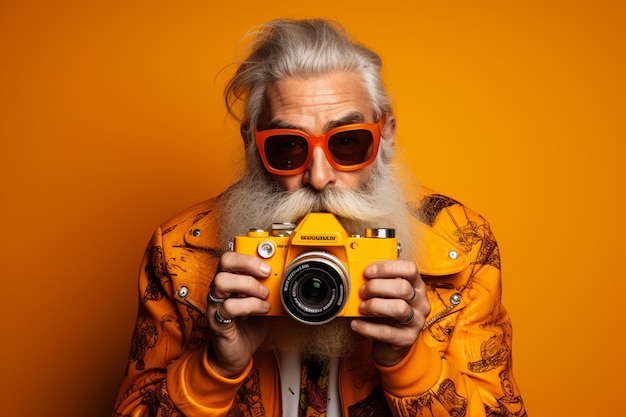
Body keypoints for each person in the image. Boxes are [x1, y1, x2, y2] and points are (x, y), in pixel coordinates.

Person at [112, 18, 525, 417]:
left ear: (387, 137)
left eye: (347, 143)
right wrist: (217, 368)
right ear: (253, 147)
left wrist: (408, 362)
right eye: (288, 147)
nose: (319, 176)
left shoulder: (462, 245)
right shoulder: (179, 248)